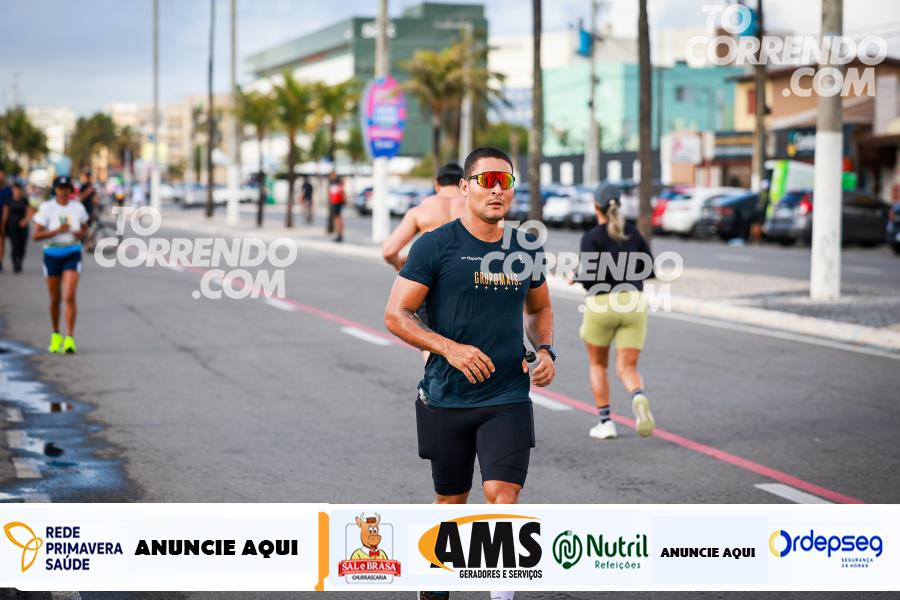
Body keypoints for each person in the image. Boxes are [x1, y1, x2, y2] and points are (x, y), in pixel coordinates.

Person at [385, 147, 556, 600]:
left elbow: (539, 308)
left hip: (507, 396)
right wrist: (449, 348)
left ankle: (501, 594)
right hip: (447, 396)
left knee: (503, 495)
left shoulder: (525, 246)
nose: (497, 190)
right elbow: (396, 314)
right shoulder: (434, 245)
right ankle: (434, 585)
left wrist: (545, 349)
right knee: (452, 503)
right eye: (487, 181)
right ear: (465, 187)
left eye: (506, 181)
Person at [571, 182, 655, 440]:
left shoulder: (591, 237)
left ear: (595, 205)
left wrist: (575, 276)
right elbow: (649, 270)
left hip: (602, 303)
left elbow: (589, 278)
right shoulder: (634, 233)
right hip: (633, 302)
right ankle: (638, 396)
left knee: (598, 365)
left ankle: (606, 422)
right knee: (627, 367)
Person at [32, 175, 89, 354]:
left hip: (72, 253)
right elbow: (36, 235)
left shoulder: (78, 208)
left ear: (70, 190)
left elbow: (85, 229)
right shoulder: (47, 208)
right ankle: (56, 334)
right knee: (55, 299)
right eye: (60, 188)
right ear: (55, 190)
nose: (63, 192)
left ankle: (70, 338)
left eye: (66, 188)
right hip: (52, 255)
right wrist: (56, 231)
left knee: (69, 296)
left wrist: (80, 234)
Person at [382, 163, 466, 271]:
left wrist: (399, 264)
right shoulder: (476, 208)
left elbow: (388, 251)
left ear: (437, 185)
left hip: (432, 276)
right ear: (464, 184)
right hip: (469, 275)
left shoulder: (420, 210)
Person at [1, 179, 35, 273]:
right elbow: (5, 214)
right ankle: (15, 264)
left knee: (22, 246)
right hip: (12, 226)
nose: (17, 191)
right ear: (13, 190)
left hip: (23, 226)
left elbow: (30, 212)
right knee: (15, 245)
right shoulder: (8, 200)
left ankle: (20, 260)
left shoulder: (24, 200)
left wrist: (25, 220)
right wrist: (3, 226)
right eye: (15, 189)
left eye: (18, 189)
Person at [328, 173, 346, 243]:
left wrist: (343, 201)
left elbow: (342, 193)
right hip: (335, 203)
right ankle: (339, 234)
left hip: (337, 203)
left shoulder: (337, 183)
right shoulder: (333, 183)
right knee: (337, 219)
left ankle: (339, 235)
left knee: (338, 219)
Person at [0, 168, 11, 271]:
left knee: (1, 241)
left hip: (3, 218)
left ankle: (0, 262)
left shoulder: (8, 189)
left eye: (2, 174)